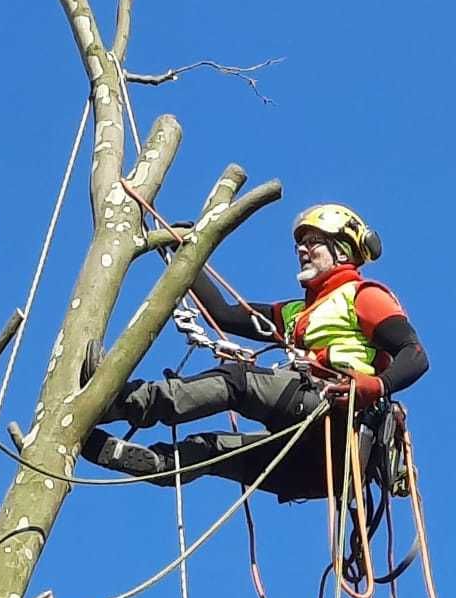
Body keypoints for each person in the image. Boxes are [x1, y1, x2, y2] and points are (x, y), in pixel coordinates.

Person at [82, 203, 428, 500]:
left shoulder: (362, 295)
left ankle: (125, 402)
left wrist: (375, 385)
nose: (303, 250)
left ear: (342, 250)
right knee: (211, 450)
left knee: (239, 381)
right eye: (300, 245)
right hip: (317, 462)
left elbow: (414, 353)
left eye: (313, 242)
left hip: (335, 419)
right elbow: (224, 315)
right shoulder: (296, 313)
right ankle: (155, 463)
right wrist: (188, 255)